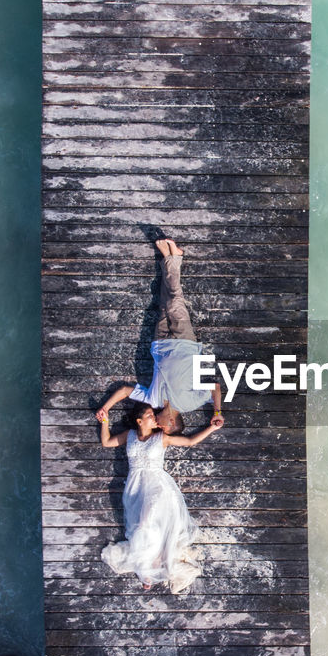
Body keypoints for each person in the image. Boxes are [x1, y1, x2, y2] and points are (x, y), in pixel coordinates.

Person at [95, 239, 224, 435]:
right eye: (162, 427)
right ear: (171, 422)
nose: (157, 425)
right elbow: (215, 387)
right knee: (174, 302)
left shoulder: (153, 401)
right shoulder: (190, 403)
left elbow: (124, 391)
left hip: (160, 343)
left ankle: (170, 258)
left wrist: (106, 407)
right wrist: (217, 412)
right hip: (185, 343)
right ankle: (175, 259)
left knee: (165, 302)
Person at [98, 400, 222, 592]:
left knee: (145, 524)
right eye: (149, 416)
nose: (154, 418)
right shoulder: (129, 436)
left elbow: (189, 441)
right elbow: (106, 442)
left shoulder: (161, 438)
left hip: (158, 486)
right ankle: (150, 565)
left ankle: (145, 569)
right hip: (135, 488)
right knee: (141, 527)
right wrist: (104, 421)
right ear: (139, 421)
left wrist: (211, 429)